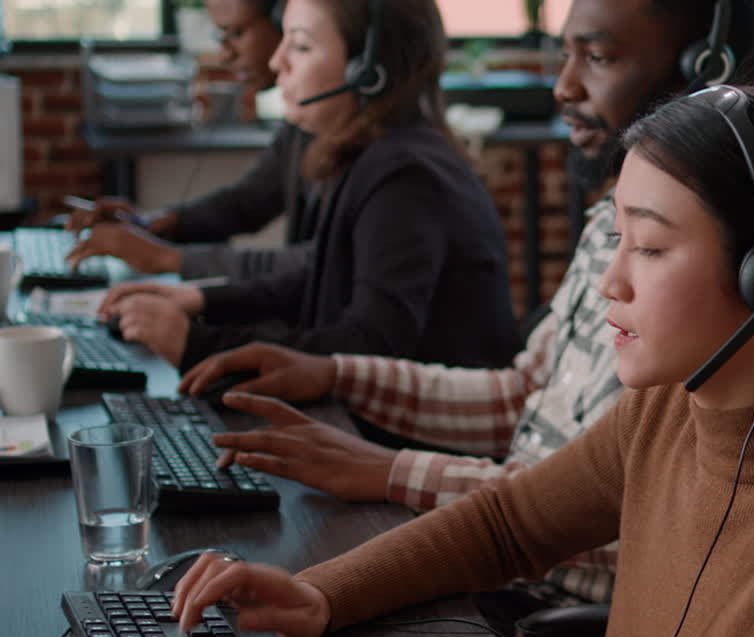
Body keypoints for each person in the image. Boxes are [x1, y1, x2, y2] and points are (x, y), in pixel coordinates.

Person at [172, 85, 754, 637]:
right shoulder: (668, 411)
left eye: (649, 246)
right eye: (616, 238)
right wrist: (320, 592)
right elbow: (506, 525)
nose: (611, 281)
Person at [178, 0, 754, 612]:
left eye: (597, 57)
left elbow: (620, 517)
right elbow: (523, 396)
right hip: (504, 558)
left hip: (551, 611)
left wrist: (392, 472)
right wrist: (336, 376)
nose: (562, 87)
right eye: (564, 55)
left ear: (701, 71)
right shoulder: (602, 228)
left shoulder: (716, 286)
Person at [90, 0, 519, 373]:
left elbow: (368, 347)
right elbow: (322, 274)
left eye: (300, 46)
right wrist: (201, 299)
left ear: (365, 71)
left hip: (420, 435)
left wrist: (199, 345)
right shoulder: (364, 153)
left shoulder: (404, 177)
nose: (278, 62)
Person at [64, 0, 310, 281]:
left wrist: (165, 258)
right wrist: (150, 223)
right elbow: (249, 201)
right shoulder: (303, 125)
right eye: (220, 36)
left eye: (236, 33)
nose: (224, 55)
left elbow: (318, 266)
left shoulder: (342, 134)